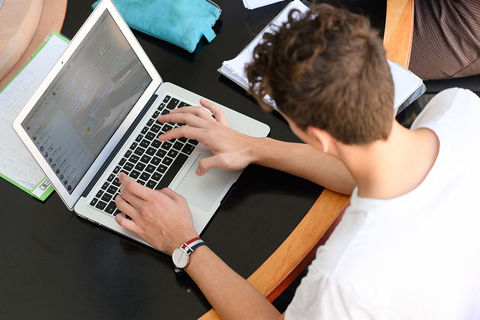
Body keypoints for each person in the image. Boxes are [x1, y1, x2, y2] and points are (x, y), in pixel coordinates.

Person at [114, 4, 480, 319]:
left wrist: (185, 243)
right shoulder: (461, 108)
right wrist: (253, 146)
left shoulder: (341, 280)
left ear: (316, 136)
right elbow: (363, 168)